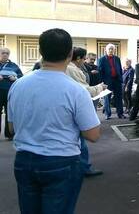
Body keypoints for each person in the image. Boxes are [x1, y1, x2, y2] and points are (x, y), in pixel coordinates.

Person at [7, 28, 100, 214]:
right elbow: (93, 134)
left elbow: (12, 127)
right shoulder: (76, 90)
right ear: (70, 54)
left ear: (41, 52)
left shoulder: (18, 85)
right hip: (62, 161)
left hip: (24, 160)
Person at [65, 47, 106, 177]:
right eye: (84, 58)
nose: (85, 61)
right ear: (78, 58)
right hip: (75, 109)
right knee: (81, 141)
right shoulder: (72, 70)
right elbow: (84, 91)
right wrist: (99, 87)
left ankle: (81, 166)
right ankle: (84, 168)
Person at [0, 47, 22, 140]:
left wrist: (15, 78)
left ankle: (9, 134)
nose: (5, 54)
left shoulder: (14, 66)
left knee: (10, 113)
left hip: (10, 92)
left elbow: (21, 77)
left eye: (7, 53)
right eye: (3, 53)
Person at [98, 43, 125, 120]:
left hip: (117, 80)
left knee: (119, 98)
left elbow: (119, 69)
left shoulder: (117, 58)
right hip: (107, 81)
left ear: (114, 50)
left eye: (112, 49)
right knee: (107, 98)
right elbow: (100, 71)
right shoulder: (102, 59)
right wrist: (101, 82)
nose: (110, 50)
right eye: (109, 49)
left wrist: (121, 80)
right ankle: (107, 114)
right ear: (106, 50)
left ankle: (120, 114)